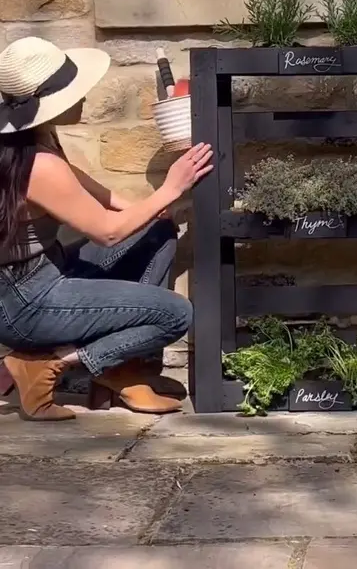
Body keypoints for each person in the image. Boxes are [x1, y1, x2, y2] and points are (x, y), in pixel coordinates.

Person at [0, 37, 213, 422]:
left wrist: (147, 210)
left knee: (155, 233)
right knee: (176, 314)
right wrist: (170, 187)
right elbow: (108, 233)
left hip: (36, 279)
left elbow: (95, 192)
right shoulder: (37, 165)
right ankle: (48, 365)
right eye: (73, 91)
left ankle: (121, 369)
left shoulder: (28, 142)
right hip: (27, 302)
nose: (83, 97)